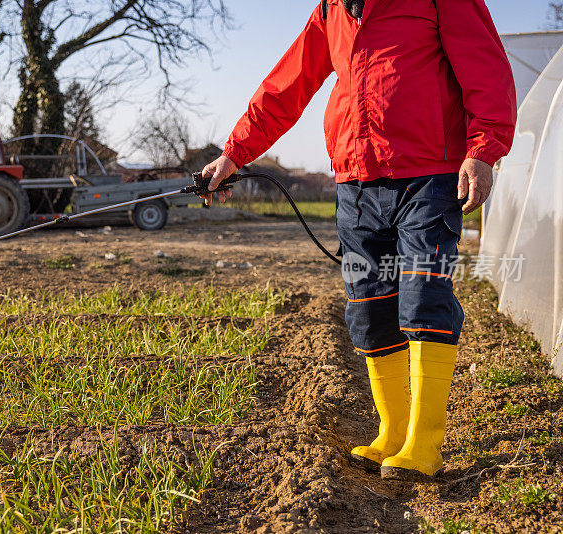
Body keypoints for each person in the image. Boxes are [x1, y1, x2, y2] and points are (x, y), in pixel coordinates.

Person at [201, 0, 516, 481]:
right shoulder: (330, 11)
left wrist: (483, 149)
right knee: (368, 306)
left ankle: (423, 444)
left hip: (429, 174)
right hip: (356, 181)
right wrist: (234, 154)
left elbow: (485, 69)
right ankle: (392, 432)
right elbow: (285, 87)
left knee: (423, 296)